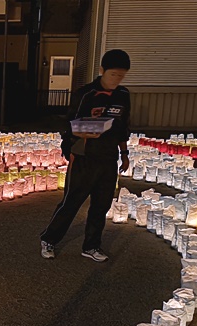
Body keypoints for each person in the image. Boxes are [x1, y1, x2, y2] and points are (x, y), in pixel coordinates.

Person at [39, 49, 131, 262]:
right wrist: (77, 138)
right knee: (71, 201)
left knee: (102, 204)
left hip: (108, 158)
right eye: (113, 75)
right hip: (83, 156)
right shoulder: (86, 94)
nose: (116, 80)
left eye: (121, 75)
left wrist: (124, 153)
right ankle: (49, 239)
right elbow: (69, 125)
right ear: (101, 71)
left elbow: (123, 127)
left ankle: (91, 246)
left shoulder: (123, 95)